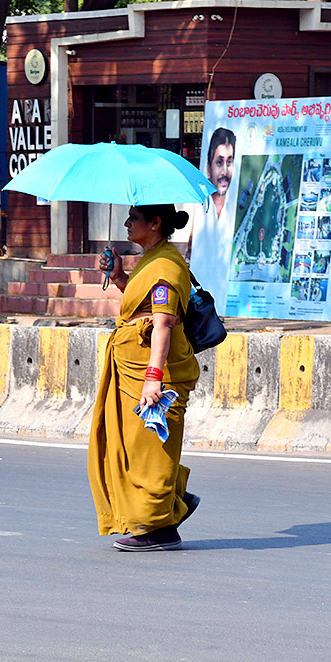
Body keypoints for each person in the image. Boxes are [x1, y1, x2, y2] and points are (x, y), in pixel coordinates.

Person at [88, 203, 201, 551]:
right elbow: (142, 309)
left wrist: (154, 377)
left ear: (154, 224)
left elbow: (163, 323)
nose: (126, 223)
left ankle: (159, 527)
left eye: (133, 218)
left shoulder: (165, 266)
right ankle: (174, 501)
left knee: (150, 450)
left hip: (153, 372)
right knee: (131, 447)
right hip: (131, 366)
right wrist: (121, 277)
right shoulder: (150, 260)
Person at [189, 127, 236, 308]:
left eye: (229, 162)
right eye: (219, 162)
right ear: (208, 168)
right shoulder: (202, 209)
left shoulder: (236, 209)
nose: (224, 171)